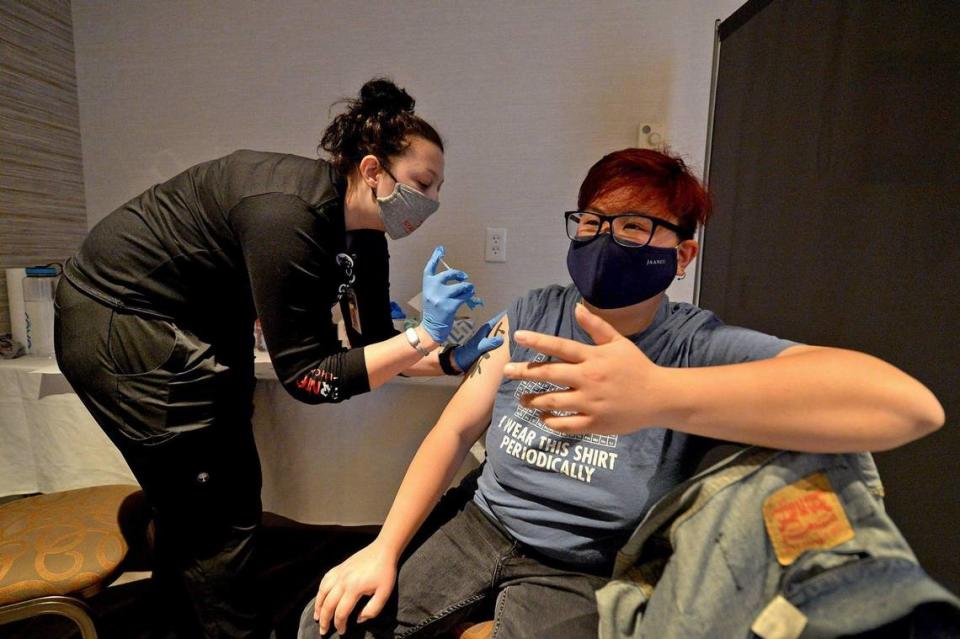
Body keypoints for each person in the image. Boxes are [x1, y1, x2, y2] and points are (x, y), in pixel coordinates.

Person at [298, 148, 945, 638]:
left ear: (683, 254)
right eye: (593, 220)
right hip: (482, 525)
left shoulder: (694, 345)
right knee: (326, 620)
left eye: (635, 226)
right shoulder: (531, 311)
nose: (606, 238)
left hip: (582, 566)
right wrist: (382, 548)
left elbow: (908, 406)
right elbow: (453, 431)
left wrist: (658, 393)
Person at [54, 78, 502, 639]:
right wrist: (424, 336)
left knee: (207, 494)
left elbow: (373, 349)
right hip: (120, 321)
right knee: (219, 513)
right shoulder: (287, 215)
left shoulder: (363, 235)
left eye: (438, 189)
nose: (431, 203)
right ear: (371, 171)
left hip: (198, 322)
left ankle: (177, 618)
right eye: (422, 184)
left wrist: (450, 355)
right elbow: (309, 378)